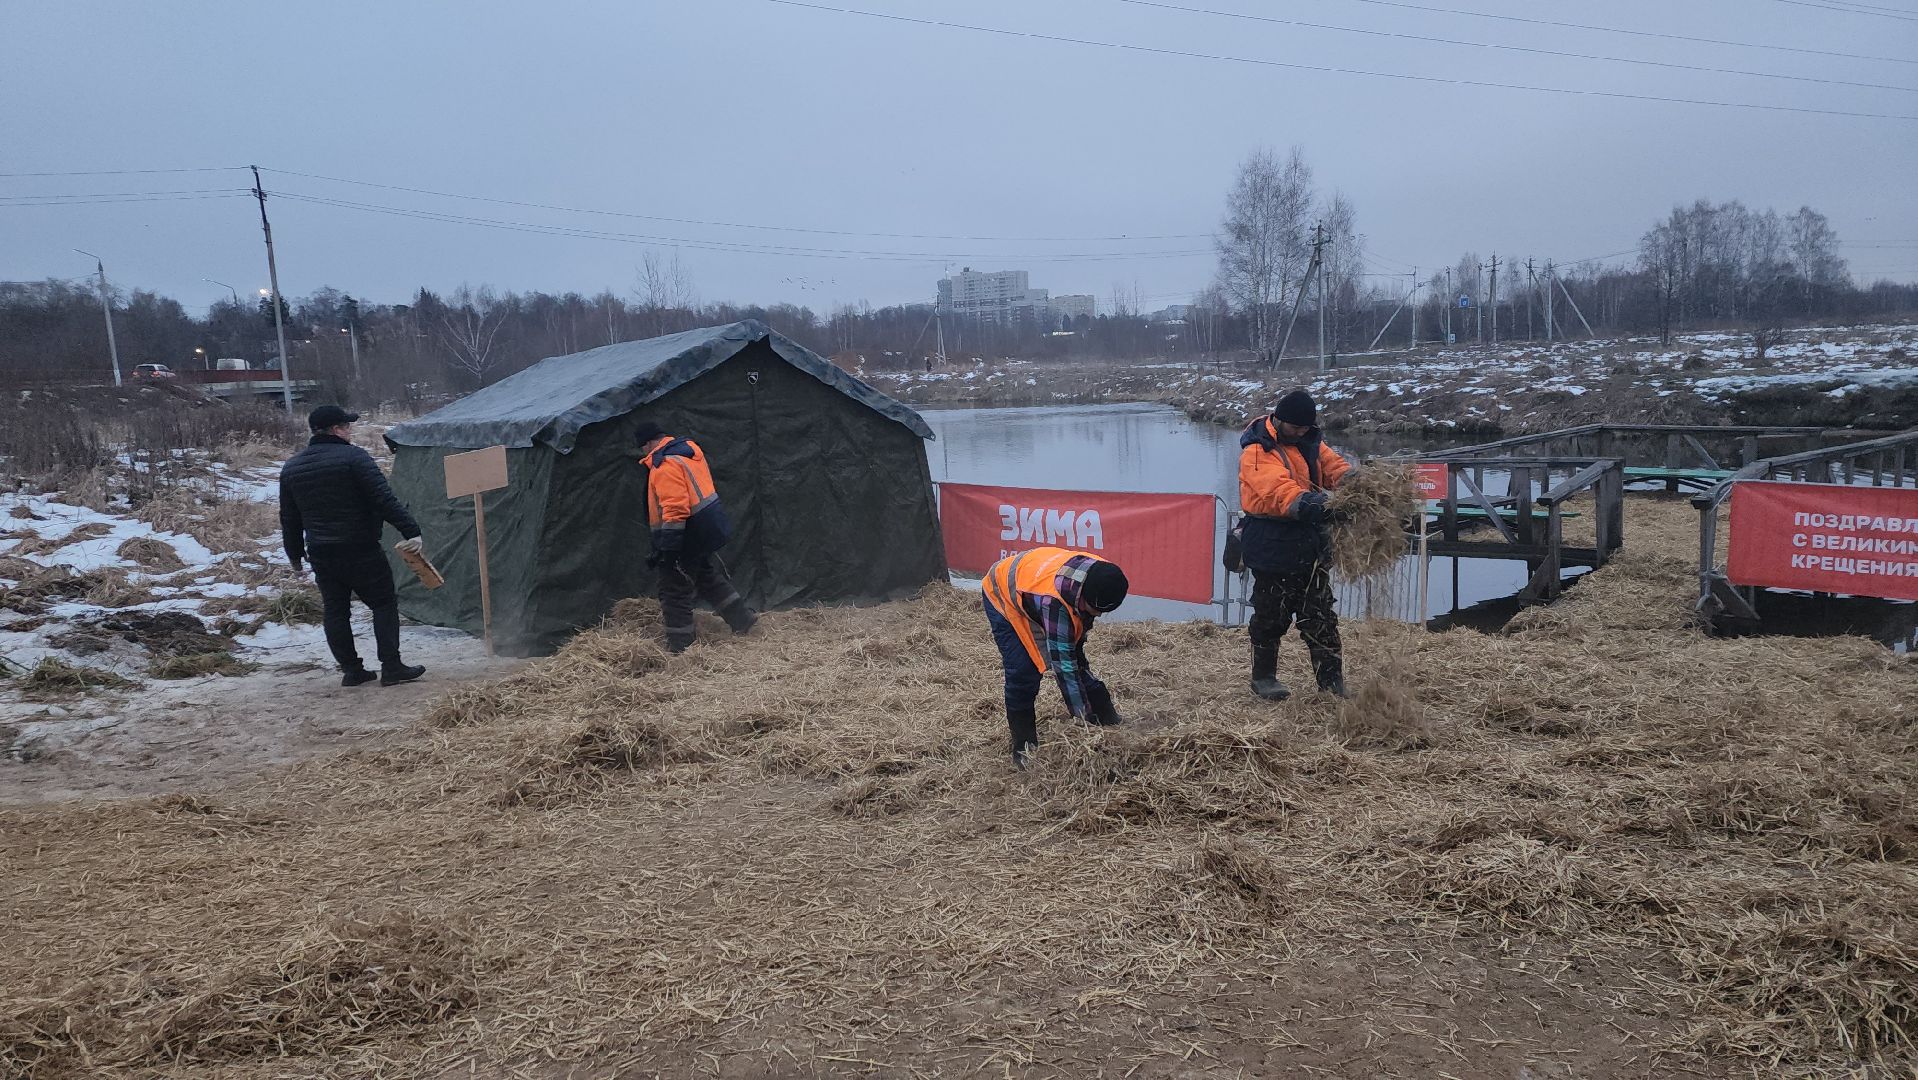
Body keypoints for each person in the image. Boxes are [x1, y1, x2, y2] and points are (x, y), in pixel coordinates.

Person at [279, 405, 428, 687]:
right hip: (360, 547)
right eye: (347, 426)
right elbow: (383, 499)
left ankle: (352, 670)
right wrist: (411, 531)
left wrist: (295, 555)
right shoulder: (354, 458)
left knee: (335, 610)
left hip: (321, 552)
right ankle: (392, 667)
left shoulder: (292, 467)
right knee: (383, 603)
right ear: (336, 430)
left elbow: (289, 517)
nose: (351, 430)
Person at [1237, 389, 1352, 701]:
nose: (1301, 432)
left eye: (1305, 428)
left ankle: (1331, 684)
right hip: (1272, 543)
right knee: (1270, 615)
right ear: (1279, 420)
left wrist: (1356, 485)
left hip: (1311, 546)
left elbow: (1334, 467)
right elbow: (1278, 492)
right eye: (1295, 428)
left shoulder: (1311, 440)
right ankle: (1263, 678)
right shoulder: (1258, 451)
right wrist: (1318, 504)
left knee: (1321, 618)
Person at [981, 546, 1129, 767]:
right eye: (1096, 610)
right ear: (1084, 597)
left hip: (1034, 585)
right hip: (1002, 592)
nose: (1098, 615)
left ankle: (1108, 717)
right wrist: (1084, 725)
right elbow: (1064, 668)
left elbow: (1073, 654)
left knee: (1076, 659)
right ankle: (1024, 748)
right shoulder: (1054, 603)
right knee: (1024, 672)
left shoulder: (1100, 575)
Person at [634, 421, 756, 652]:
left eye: (642, 448)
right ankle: (742, 618)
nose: (643, 453)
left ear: (648, 443)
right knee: (704, 577)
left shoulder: (665, 464)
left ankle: (681, 646)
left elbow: (675, 509)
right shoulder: (688, 452)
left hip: (685, 535)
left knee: (673, 589)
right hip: (704, 531)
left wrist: (669, 550)